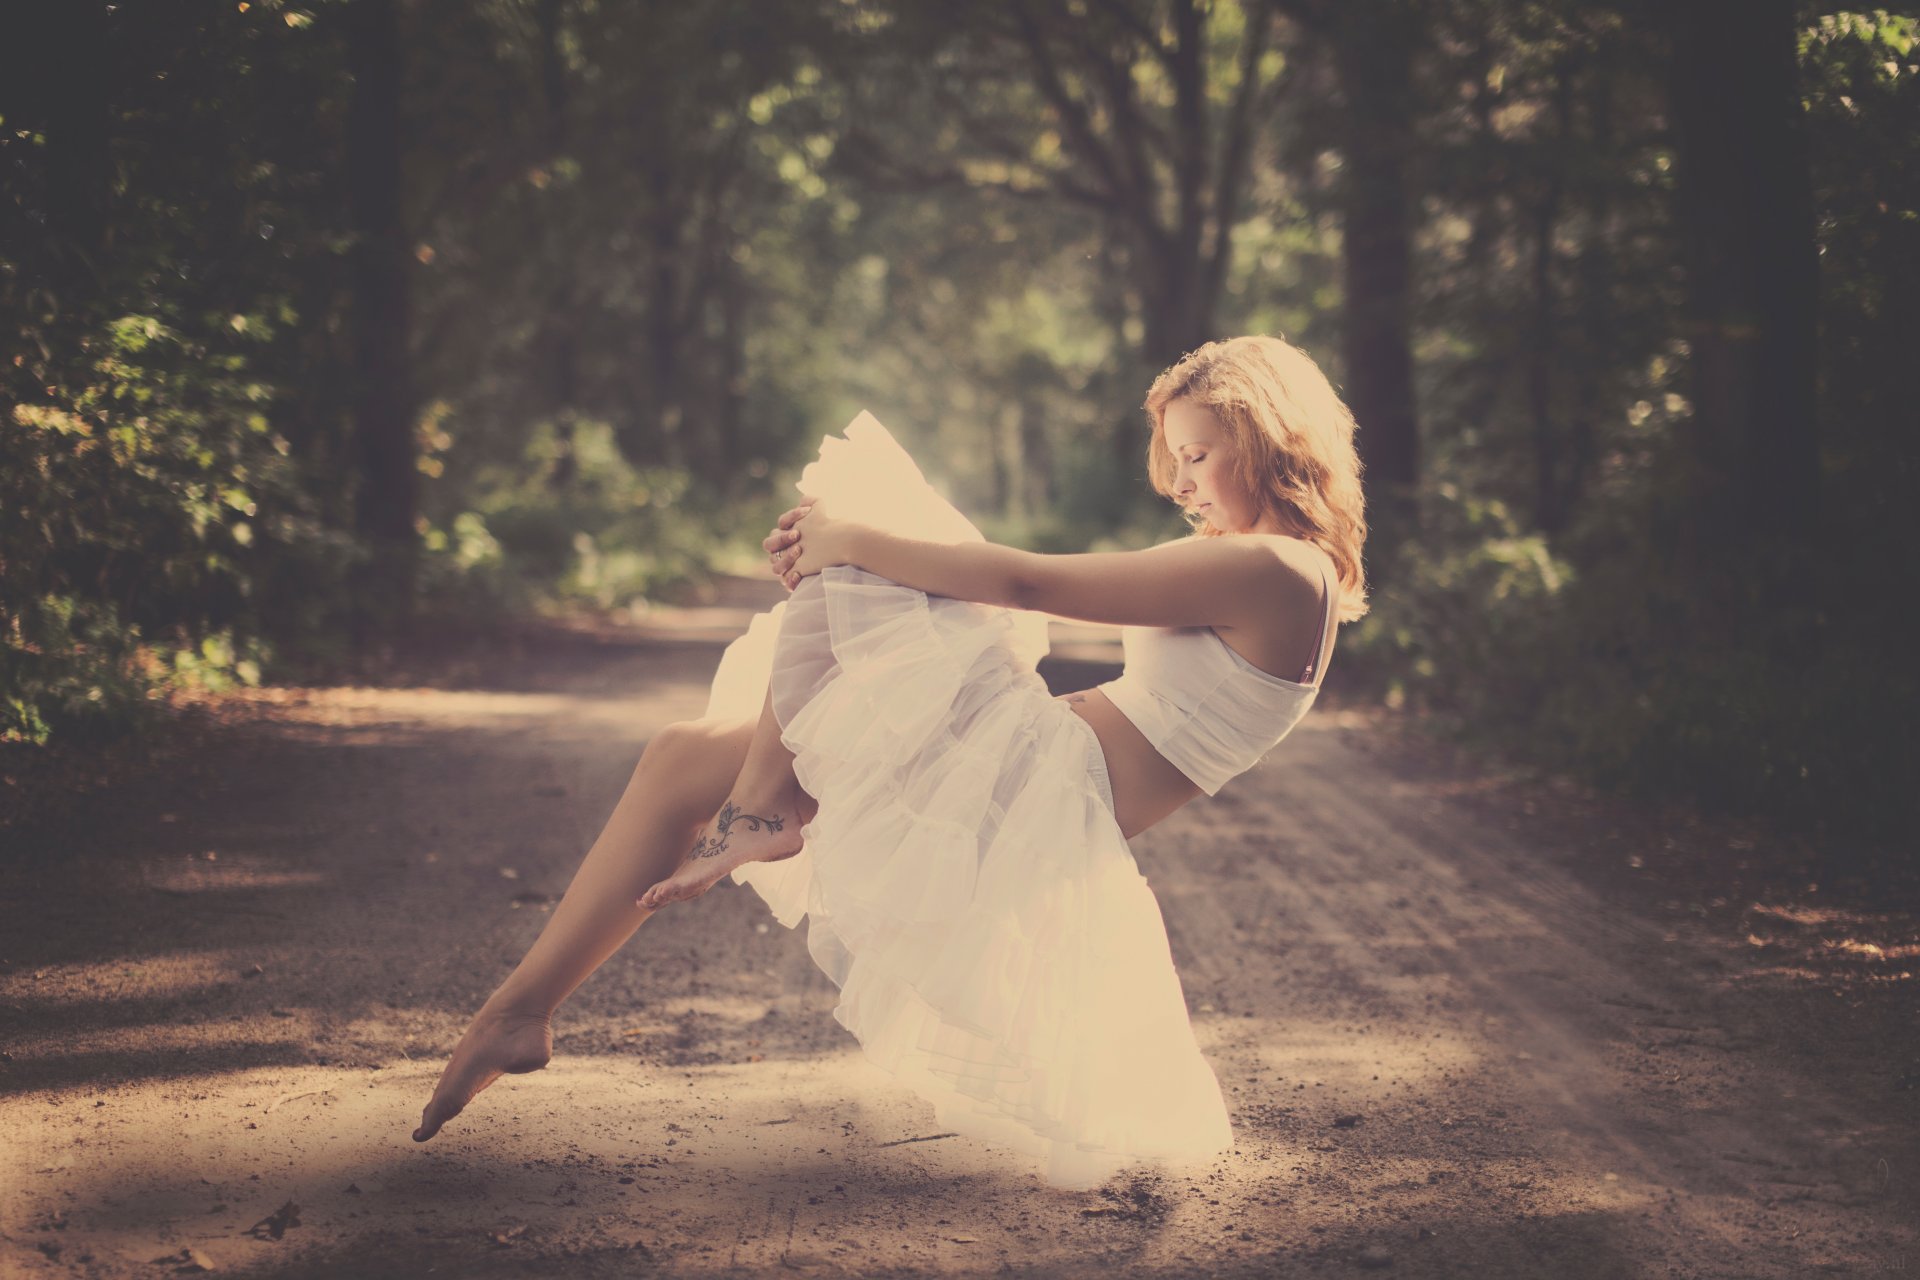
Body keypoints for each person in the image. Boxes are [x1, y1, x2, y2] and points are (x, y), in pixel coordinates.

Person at [411, 335, 1370, 1190]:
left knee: (862, 528)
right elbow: (1032, 587)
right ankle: (526, 1005)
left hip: (1040, 783)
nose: (1186, 485)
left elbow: (1035, 580)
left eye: (1199, 456)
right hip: (1036, 775)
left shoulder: (1274, 571)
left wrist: (849, 545)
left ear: (1270, 438)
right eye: (1176, 466)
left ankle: (754, 815)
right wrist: (862, 562)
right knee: (680, 757)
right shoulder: (1282, 571)